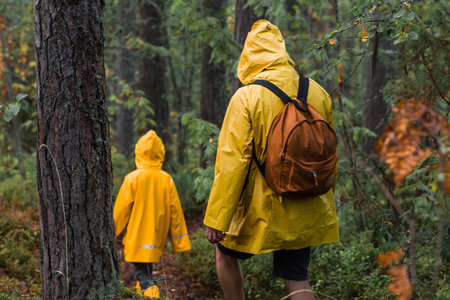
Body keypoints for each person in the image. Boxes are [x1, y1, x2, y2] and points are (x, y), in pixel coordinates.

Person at [204, 20, 339, 300]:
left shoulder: (247, 97)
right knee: (298, 278)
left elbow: (233, 163)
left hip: (260, 208)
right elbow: (327, 153)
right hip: (306, 202)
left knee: (224, 254)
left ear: (249, 55)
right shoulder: (316, 91)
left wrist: (217, 218)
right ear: (281, 50)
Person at [114, 130, 191, 299]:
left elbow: (120, 211)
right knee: (145, 270)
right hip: (156, 239)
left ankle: (152, 295)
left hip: (136, 238)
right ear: (160, 154)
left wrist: (111, 233)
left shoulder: (132, 178)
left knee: (143, 273)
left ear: (138, 152)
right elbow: (175, 213)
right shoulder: (166, 179)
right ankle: (143, 293)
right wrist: (180, 241)